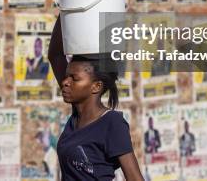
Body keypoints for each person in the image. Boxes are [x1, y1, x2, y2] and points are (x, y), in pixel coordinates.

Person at [47, 18, 145, 180]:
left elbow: (135, 178)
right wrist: (65, 9)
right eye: (66, 76)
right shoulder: (77, 117)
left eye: (74, 78)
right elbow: (56, 55)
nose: (65, 82)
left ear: (96, 86)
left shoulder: (112, 123)